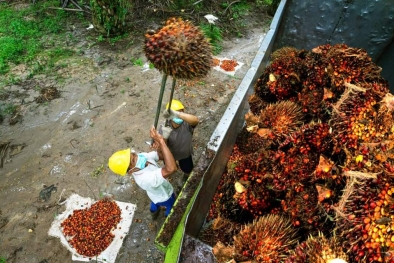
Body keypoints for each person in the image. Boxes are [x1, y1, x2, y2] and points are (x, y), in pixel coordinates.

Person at [108, 126, 177, 219]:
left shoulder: (141, 157)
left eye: (133, 154)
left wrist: (160, 145)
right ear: (130, 171)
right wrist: (161, 141)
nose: (137, 157)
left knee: (154, 201)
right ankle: (169, 215)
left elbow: (160, 156)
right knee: (170, 205)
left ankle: (153, 211)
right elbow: (171, 168)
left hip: (154, 194)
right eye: (133, 161)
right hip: (164, 195)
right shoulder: (145, 179)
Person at [161, 99, 199, 183]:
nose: (179, 116)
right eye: (175, 113)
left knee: (187, 169)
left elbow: (196, 120)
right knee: (172, 166)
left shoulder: (187, 124)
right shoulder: (164, 128)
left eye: (181, 112)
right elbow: (162, 148)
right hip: (171, 155)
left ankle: (186, 177)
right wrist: (164, 137)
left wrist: (178, 114)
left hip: (185, 155)